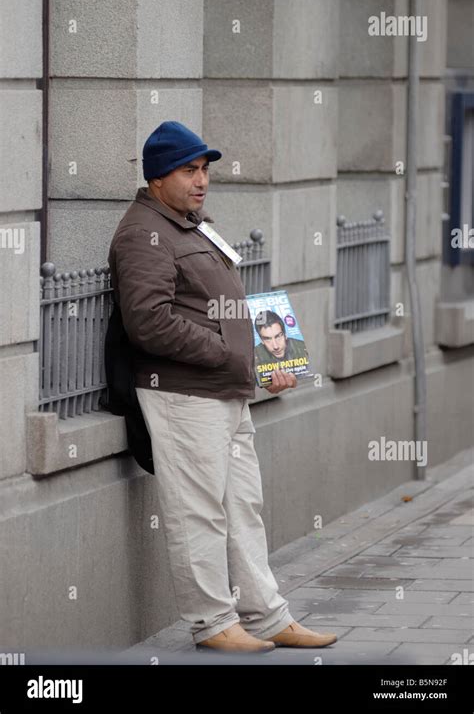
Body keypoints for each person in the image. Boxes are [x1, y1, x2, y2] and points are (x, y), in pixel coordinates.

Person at [107, 120, 338, 653]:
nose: (202, 179)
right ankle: (212, 625)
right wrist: (235, 356)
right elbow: (149, 321)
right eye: (189, 170)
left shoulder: (192, 225)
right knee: (199, 513)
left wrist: (262, 359)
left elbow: (226, 308)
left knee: (243, 508)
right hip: (184, 394)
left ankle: (267, 615)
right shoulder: (144, 233)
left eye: (205, 169)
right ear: (157, 177)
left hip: (227, 391)